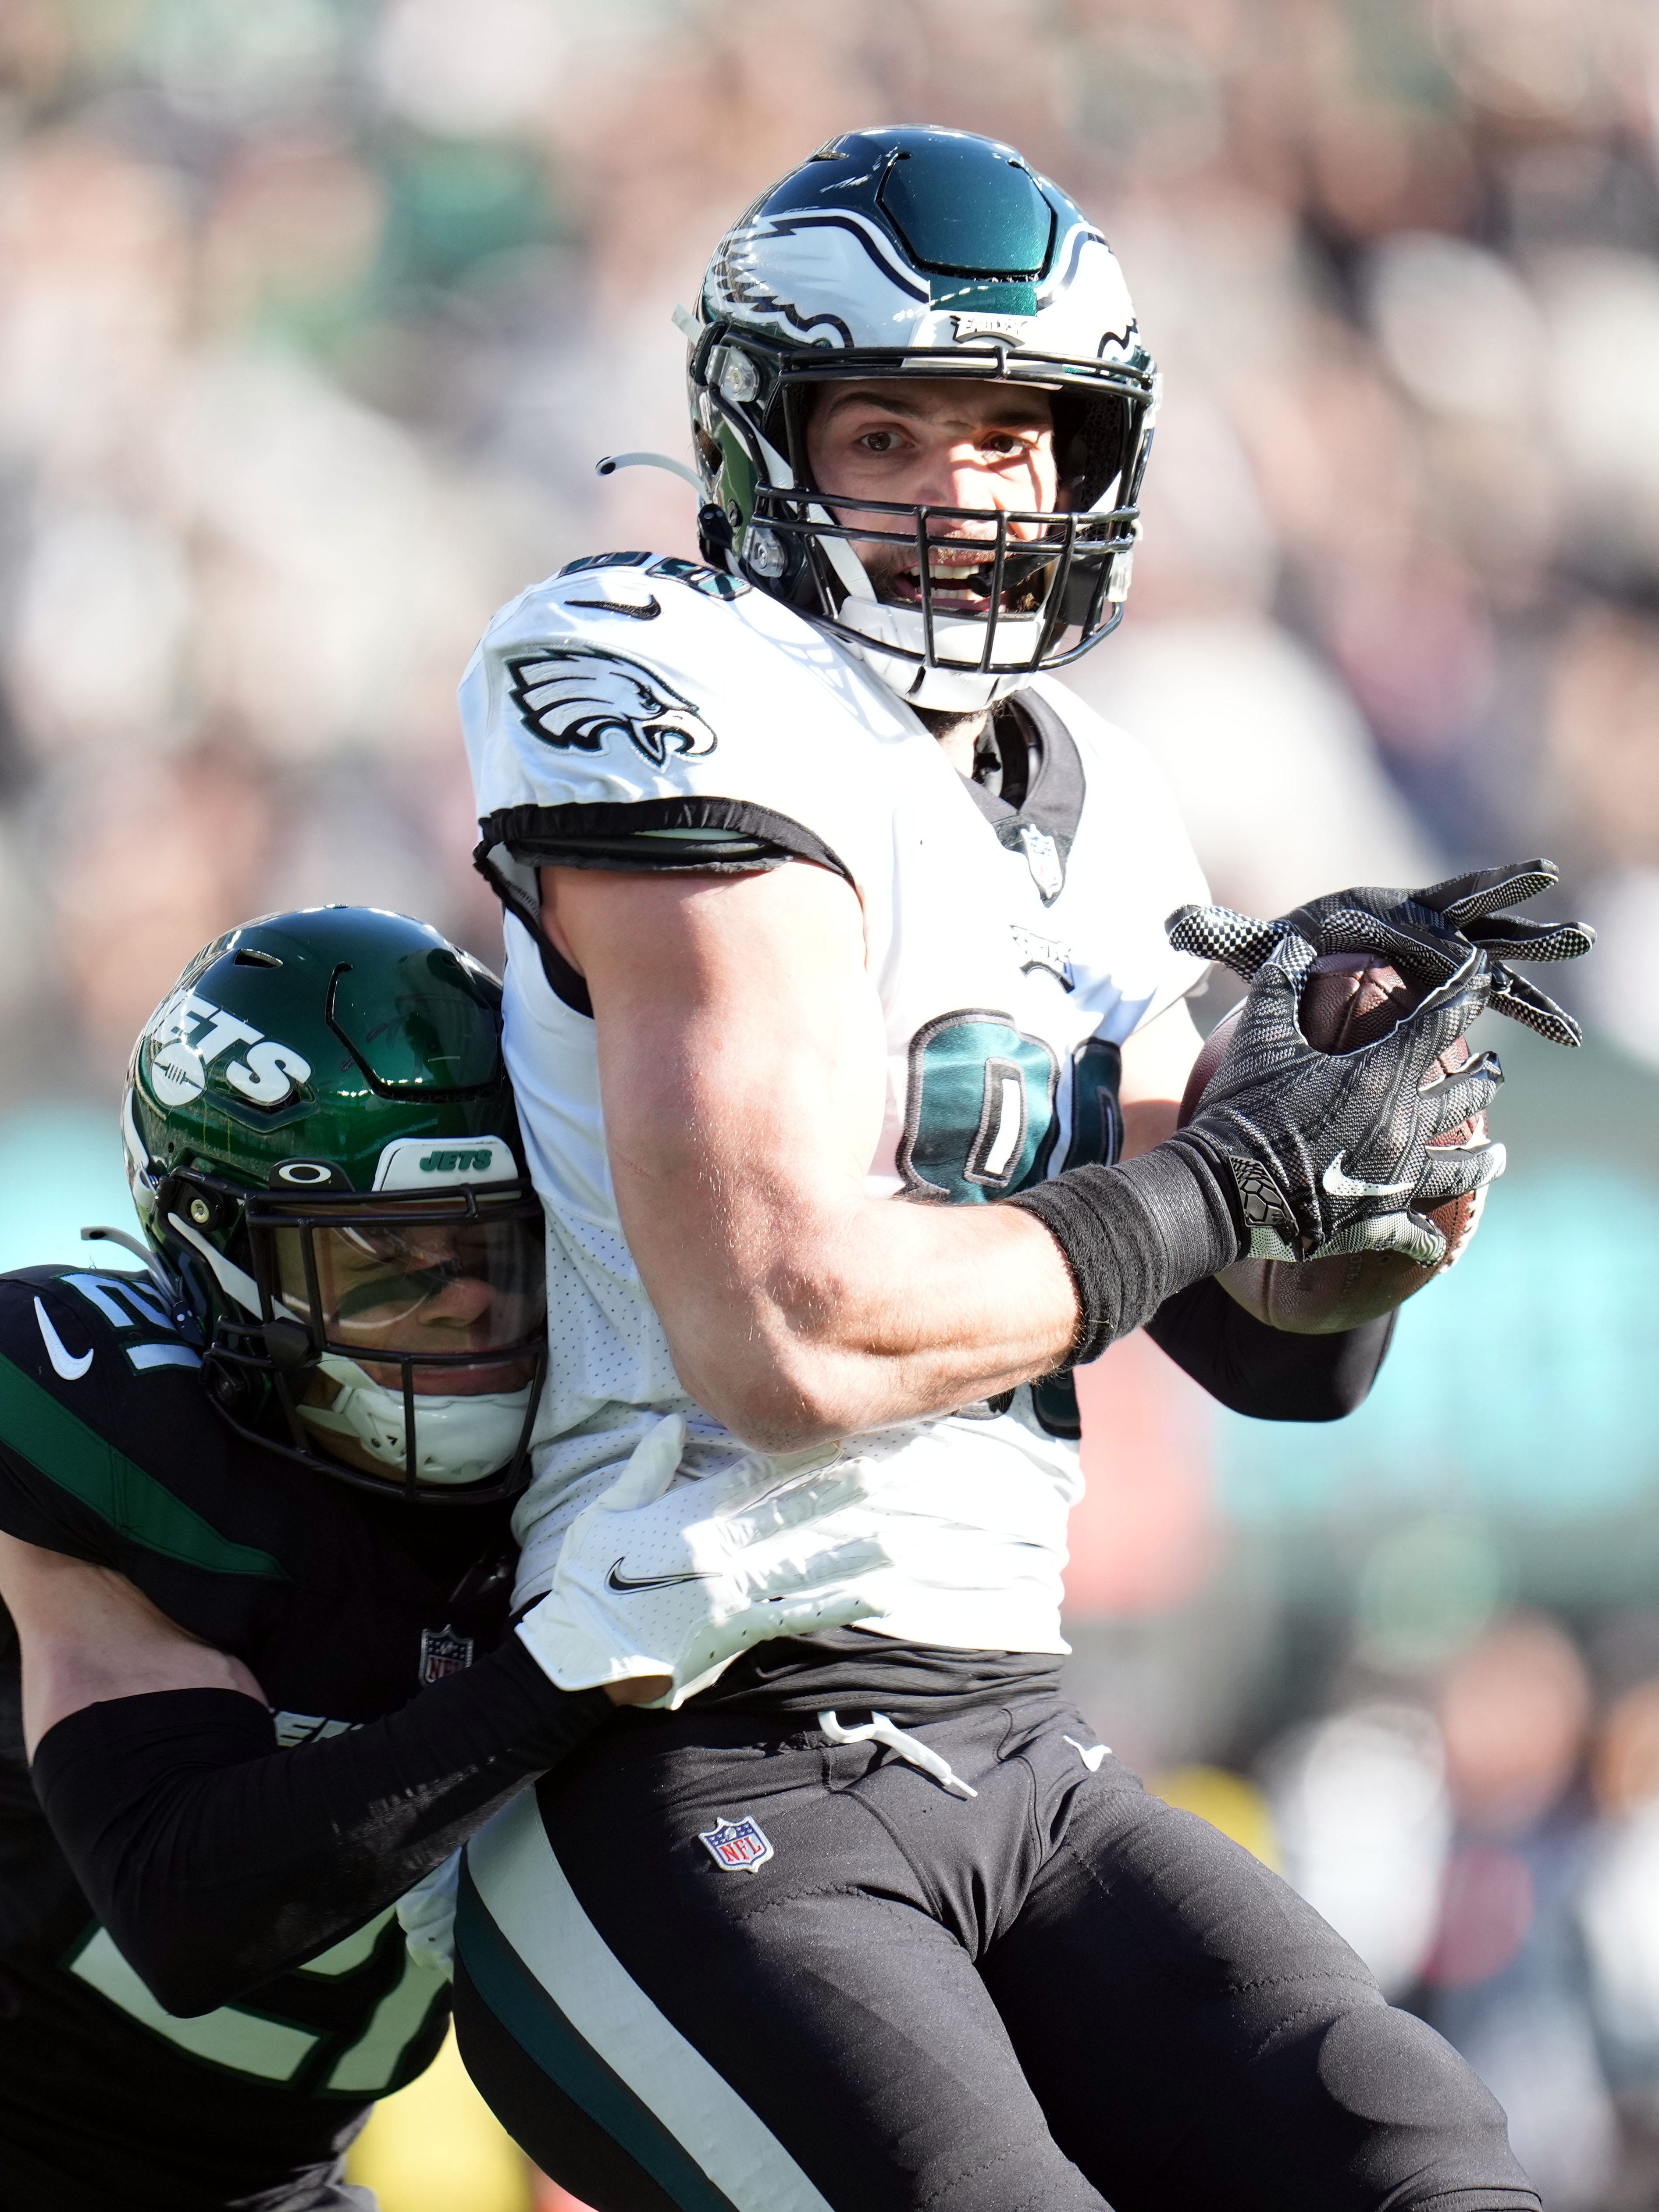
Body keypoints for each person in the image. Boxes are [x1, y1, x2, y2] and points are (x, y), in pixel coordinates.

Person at [456, 127, 1589, 2211]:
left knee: (1424, 2161)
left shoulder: (1099, 783)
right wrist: (1227, 1185)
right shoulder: (664, 681)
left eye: (1011, 436)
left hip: (1006, 1737)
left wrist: (1360, 1177)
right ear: (762, 438)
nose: (959, 492)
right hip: (673, 1742)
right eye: (885, 427)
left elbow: (1267, 1355)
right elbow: (783, 1324)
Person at [0, 903, 887, 2212]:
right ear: (219, 1257)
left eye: (493, 1248)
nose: (468, 1303)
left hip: (270, 2188)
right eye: (388, 1262)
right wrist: (562, 1674)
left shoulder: (598, 1473)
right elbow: (188, 1904)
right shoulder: (108, 1418)